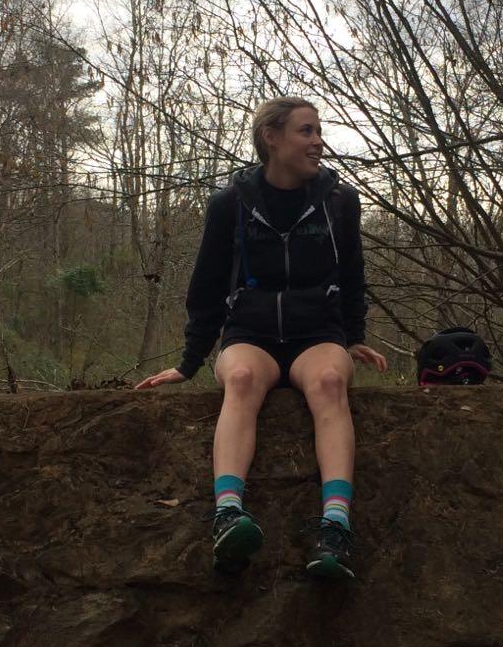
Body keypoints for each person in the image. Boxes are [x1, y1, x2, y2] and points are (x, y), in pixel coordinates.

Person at [136, 96, 387, 579]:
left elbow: (353, 274)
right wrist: (189, 362)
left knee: (331, 382)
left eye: (318, 132)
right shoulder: (230, 204)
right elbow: (207, 286)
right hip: (250, 331)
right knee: (244, 377)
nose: (318, 142)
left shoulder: (339, 201)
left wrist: (354, 335)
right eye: (306, 131)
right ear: (271, 138)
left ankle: (335, 528)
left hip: (317, 332)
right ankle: (228, 514)